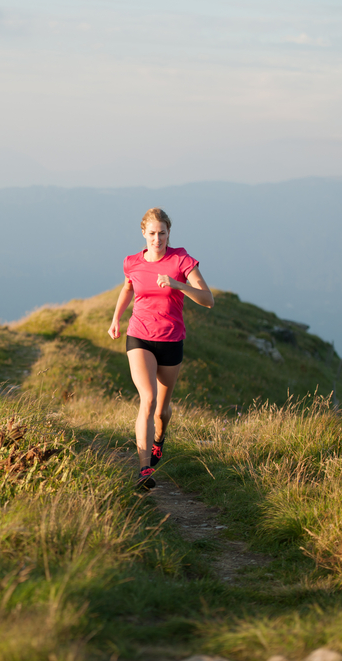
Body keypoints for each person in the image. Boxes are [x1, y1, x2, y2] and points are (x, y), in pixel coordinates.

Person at [108, 208, 214, 489]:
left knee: (162, 411)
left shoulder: (182, 260)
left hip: (171, 339)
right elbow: (128, 287)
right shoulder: (132, 262)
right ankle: (145, 469)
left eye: (162, 233)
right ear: (143, 233)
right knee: (148, 398)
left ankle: (159, 440)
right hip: (139, 336)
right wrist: (116, 319)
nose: (157, 239)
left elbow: (208, 299)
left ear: (169, 233)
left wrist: (178, 284)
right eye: (152, 233)